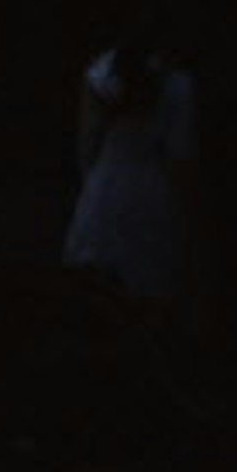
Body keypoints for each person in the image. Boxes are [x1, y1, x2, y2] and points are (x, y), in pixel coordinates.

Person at [64, 35, 204, 317]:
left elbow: (87, 146)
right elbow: (181, 162)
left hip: (102, 197)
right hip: (153, 205)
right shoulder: (178, 87)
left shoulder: (99, 75)